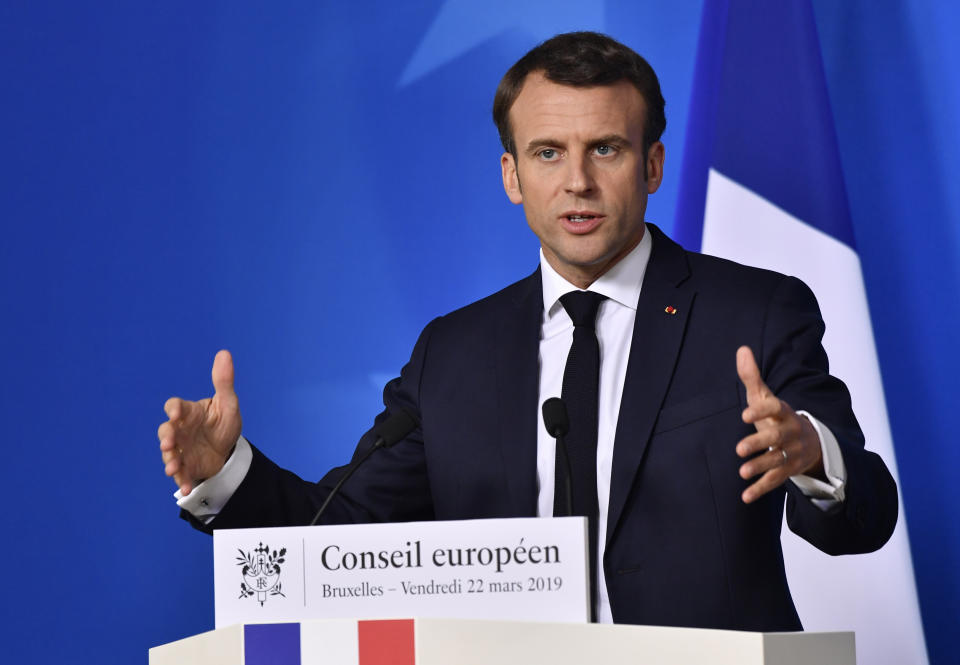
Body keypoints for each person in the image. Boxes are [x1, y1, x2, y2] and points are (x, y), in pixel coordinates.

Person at [158, 32, 897, 631]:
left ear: (652, 165)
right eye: (549, 153)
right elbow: (343, 532)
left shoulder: (755, 312)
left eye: (605, 148)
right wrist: (228, 473)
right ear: (513, 176)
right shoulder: (454, 353)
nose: (577, 180)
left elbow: (867, 514)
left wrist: (811, 452)